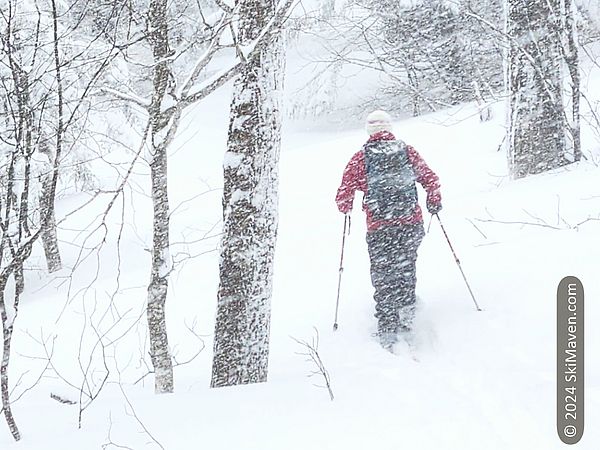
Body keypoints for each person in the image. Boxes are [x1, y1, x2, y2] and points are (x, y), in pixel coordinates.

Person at [335, 110, 442, 351]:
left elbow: (343, 194)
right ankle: (407, 314)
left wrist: (347, 206)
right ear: (390, 129)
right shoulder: (407, 151)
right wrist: (433, 200)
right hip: (409, 222)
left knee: (383, 272)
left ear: (369, 131)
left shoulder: (360, 158)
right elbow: (430, 179)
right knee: (406, 267)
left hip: (380, 226)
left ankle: (387, 323)